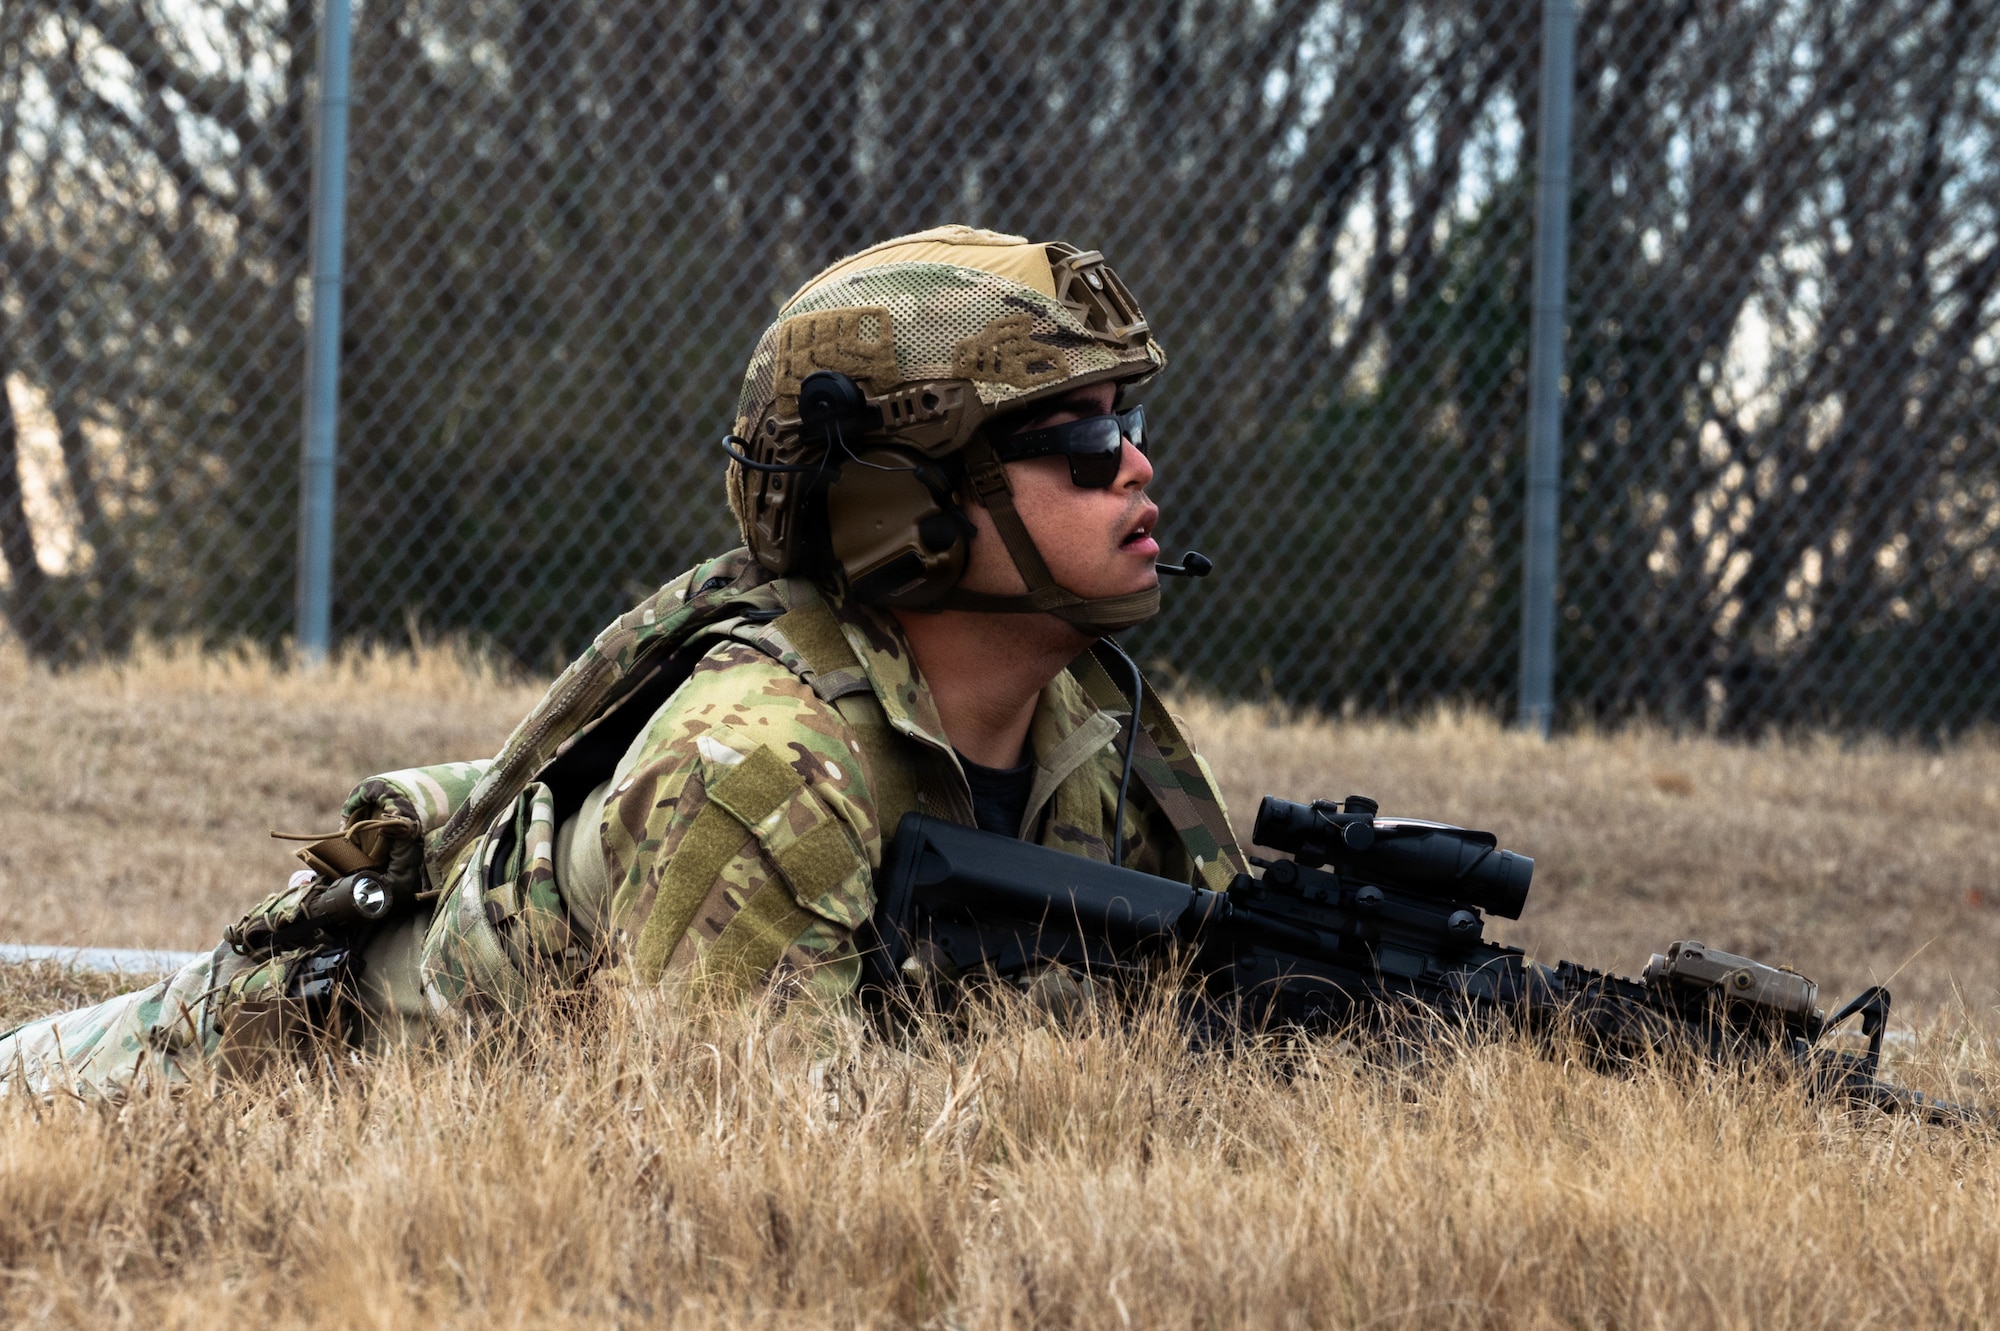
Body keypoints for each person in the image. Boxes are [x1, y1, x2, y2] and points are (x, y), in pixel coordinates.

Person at [0, 225, 1246, 1097]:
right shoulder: (760, 762)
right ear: (905, 503)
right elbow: (749, 1177)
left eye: (1131, 426)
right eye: (1083, 442)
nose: (1136, 468)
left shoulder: (1085, 717)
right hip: (248, 1068)